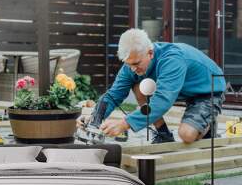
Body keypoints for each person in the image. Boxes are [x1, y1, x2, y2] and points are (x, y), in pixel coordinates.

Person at [77, 28, 226, 144]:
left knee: (186, 135)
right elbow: (113, 94)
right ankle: (163, 134)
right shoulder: (131, 65)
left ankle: (208, 126)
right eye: (128, 64)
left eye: (136, 64)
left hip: (208, 90)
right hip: (182, 89)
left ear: (150, 53)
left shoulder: (172, 60)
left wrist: (125, 124)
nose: (133, 69)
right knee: (139, 85)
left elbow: (162, 101)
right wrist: (95, 117)